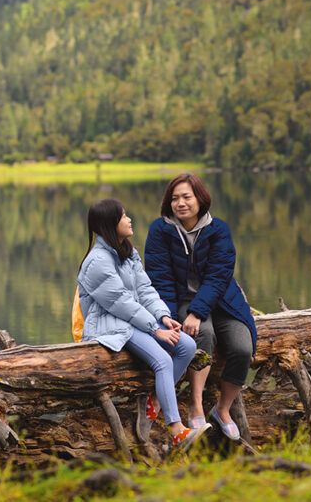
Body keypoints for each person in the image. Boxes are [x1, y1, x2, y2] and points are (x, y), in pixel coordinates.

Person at [77, 198, 210, 450]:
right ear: (109, 224)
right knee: (163, 360)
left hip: (135, 320)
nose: (129, 219)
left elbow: (145, 290)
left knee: (187, 346)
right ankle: (177, 430)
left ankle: (153, 403)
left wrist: (163, 317)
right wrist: (154, 330)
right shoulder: (97, 262)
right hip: (110, 325)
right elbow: (120, 303)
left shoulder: (127, 251)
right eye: (123, 216)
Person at [144, 173, 256, 442]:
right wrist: (167, 318)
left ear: (200, 199)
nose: (180, 203)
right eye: (174, 198)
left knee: (243, 347)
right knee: (201, 334)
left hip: (222, 300)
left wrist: (198, 311)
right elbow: (160, 279)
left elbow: (219, 277)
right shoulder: (160, 231)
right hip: (182, 301)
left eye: (186, 197)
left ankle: (223, 409)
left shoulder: (218, 230)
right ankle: (196, 406)